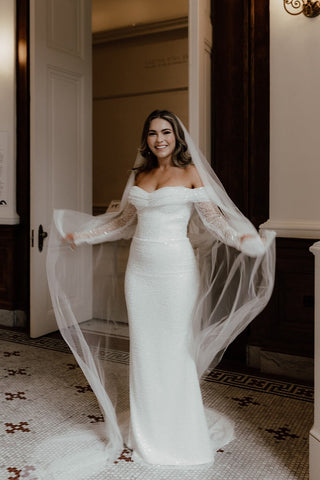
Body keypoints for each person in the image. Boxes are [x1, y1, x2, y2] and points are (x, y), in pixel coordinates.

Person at [45, 110, 275, 473]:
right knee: (145, 349)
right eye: (152, 133)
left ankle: (178, 431)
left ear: (177, 136)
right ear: (146, 139)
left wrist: (243, 238)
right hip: (139, 273)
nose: (159, 139)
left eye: (166, 132)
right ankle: (145, 427)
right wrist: (84, 235)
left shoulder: (190, 173)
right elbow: (123, 221)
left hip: (176, 272)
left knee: (173, 349)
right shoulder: (140, 174)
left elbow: (214, 220)